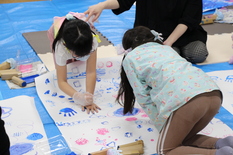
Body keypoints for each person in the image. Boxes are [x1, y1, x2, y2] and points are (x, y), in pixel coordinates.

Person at [115, 26, 233, 155]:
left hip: (187, 100)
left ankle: (219, 154)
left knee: (165, 150)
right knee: (182, 137)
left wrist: (162, 125)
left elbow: (143, 97)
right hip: (214, 94)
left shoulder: (130, 58)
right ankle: (224, 143)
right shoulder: (166, 48)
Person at [84, 0, 208, 64]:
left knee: (199, 53)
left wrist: (169, 43)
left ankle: (177, 51)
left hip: (183, 34)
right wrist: (102, 5)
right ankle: (176, 53)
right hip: (152, 34)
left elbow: (188, 20)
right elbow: (122, 2)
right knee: (163, 59)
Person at [47, 12, 101, 114]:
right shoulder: (60, 49)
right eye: (77, 55)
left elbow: (91, 72)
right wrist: (78, 97)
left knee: (78, 61)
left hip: (79, 33)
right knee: (63, 66)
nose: (83, 57)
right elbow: (62, 81)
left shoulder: (92, 40)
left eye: (87, 53)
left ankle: (79, 53)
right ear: (66, 46)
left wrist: (88, 97)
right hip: (58, 33)